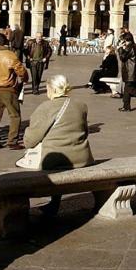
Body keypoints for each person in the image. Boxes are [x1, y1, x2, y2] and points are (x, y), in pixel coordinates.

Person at [18, 74, 95, 215]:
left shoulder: (46, 107)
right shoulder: (81, 106)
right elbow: (85, 131)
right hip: (83, 158)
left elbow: (30, 141)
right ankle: (54, 203)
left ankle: (20, 208)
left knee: (24, 167)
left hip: (56, 161)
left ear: (52, 89)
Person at [0, 33, 27, 150]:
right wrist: (24, 79)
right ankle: (12, 141)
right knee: (14, 115)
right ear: (6, 42)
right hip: (7, 88)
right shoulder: (10, 55)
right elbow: (21, 70)